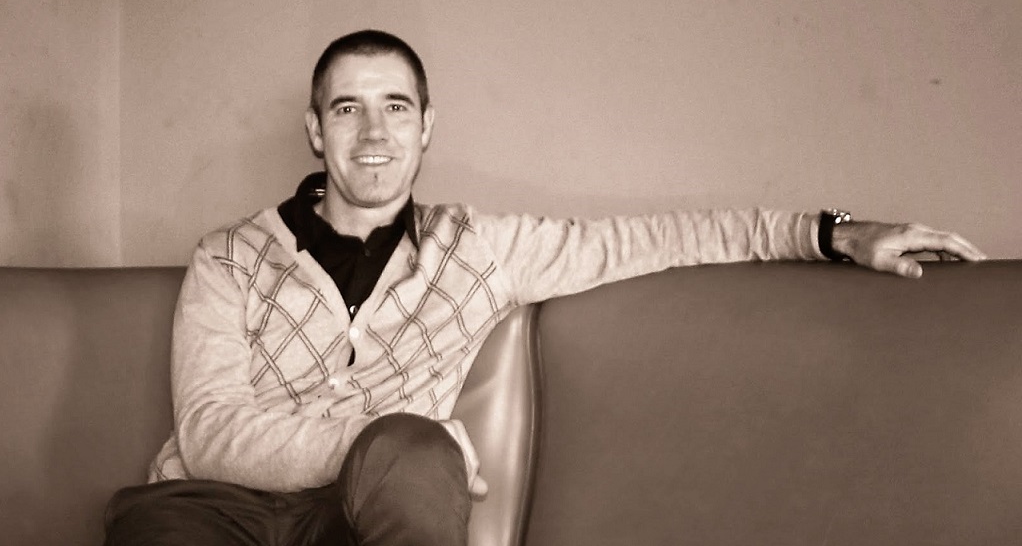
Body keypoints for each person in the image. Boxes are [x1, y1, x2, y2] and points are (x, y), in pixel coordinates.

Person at [102, 29, 986, 546]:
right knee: (169, 522)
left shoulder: (479, 247)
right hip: (213, 516)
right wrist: (372, 439)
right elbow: (211, 435)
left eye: (395, 107)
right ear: (314, 130)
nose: (373, 133)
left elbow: (656, 239)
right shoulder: (228, 257)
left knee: (413, 453)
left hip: (368, 517)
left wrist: (831, 233)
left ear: (426, 126)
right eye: (347, 109)